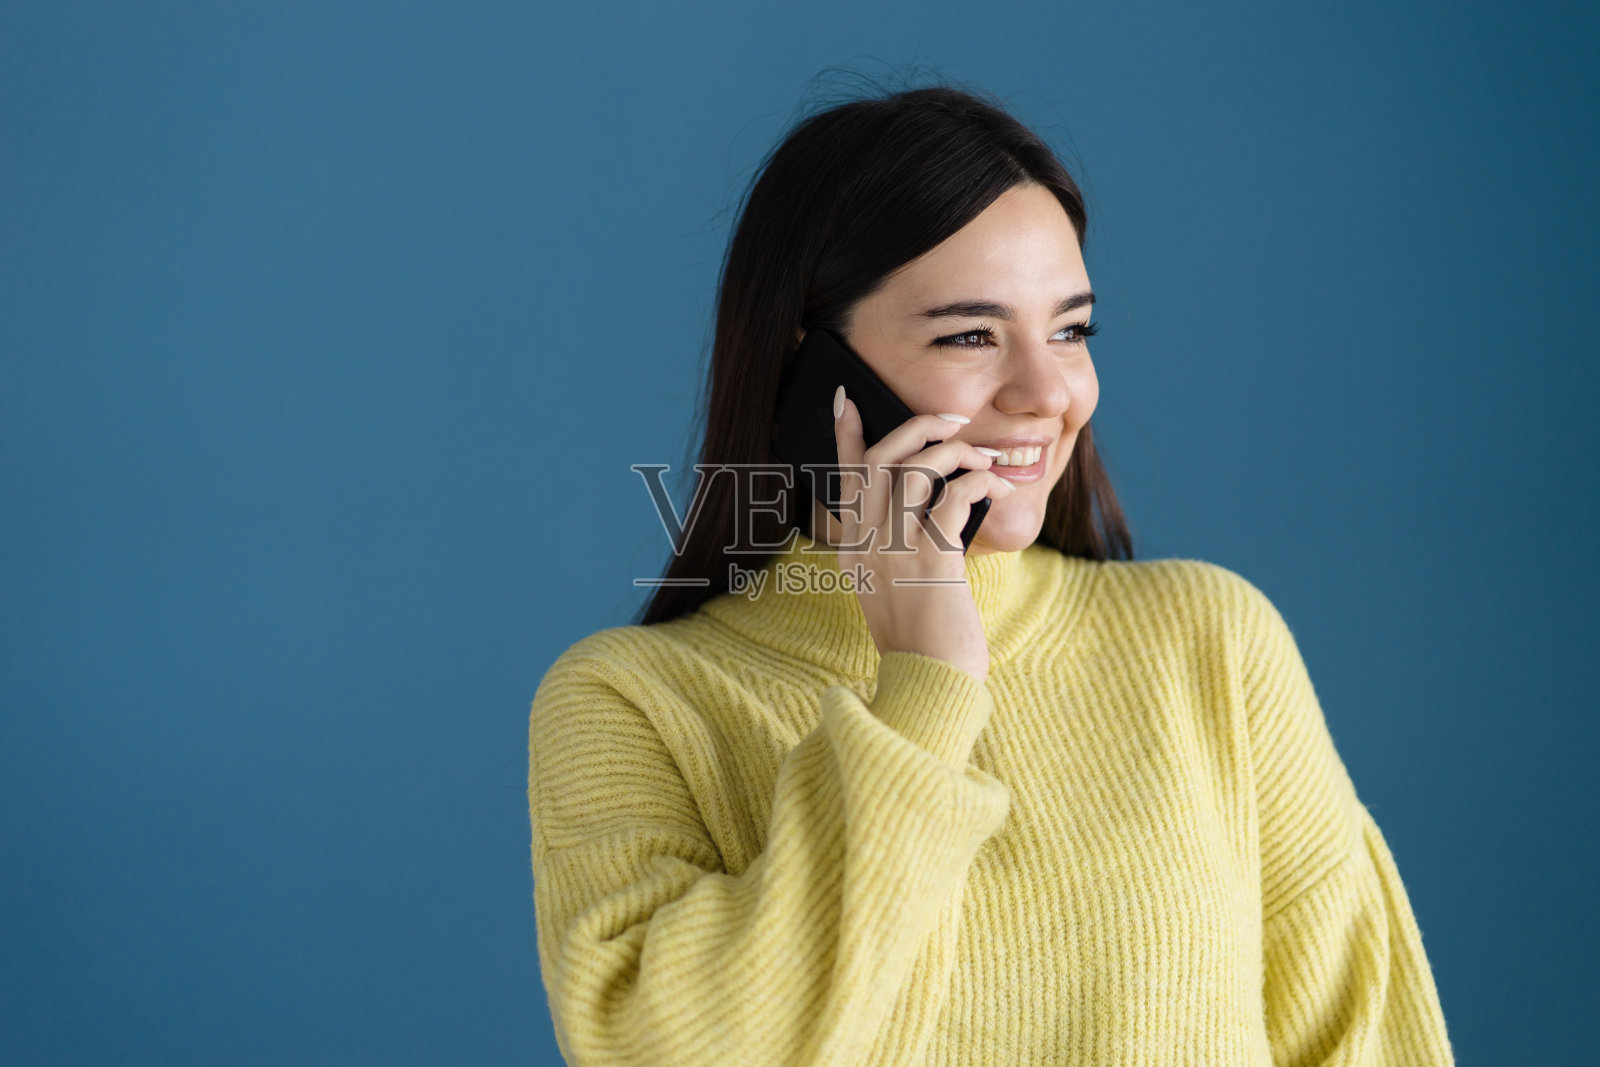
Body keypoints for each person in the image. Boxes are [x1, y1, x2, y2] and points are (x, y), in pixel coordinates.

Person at [527, 81, 1454, 1066]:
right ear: (814, 373)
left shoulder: (1209, 641)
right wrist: (924, 687)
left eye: (1070, 328)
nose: (1050, 391)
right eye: (970, 335)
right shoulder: (628, 703)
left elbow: (1363, 1039)